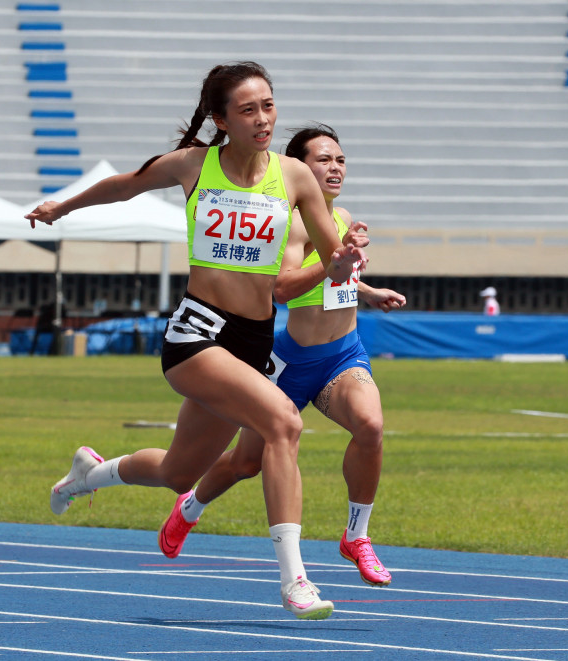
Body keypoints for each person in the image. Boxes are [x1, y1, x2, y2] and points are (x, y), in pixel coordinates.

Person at [25, 62, 367, 620]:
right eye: (248, 110)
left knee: (178, 473)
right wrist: (62, 207)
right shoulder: (194, 164)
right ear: (221, 120)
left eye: (268, 106)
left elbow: (332, 263)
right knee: (284, 423)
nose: (263, 119)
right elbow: (125, 185)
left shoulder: (294, 177)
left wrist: (347, 258)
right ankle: (295, 580)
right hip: (197, 333)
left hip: (252, 342)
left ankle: (90, 474)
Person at [157, 123, 406, 587]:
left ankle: (357, 536)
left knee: (371, 426)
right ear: (298, 169)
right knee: (245, 463)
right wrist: (333, 263)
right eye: (323, 160)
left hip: (343, 356)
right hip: (290, 362)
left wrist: (367, 290)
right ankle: (189, 507)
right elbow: (283, 289)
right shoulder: (287, 222)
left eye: (340, 159)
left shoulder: (342, 215)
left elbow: (339, 278)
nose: (335, 168)